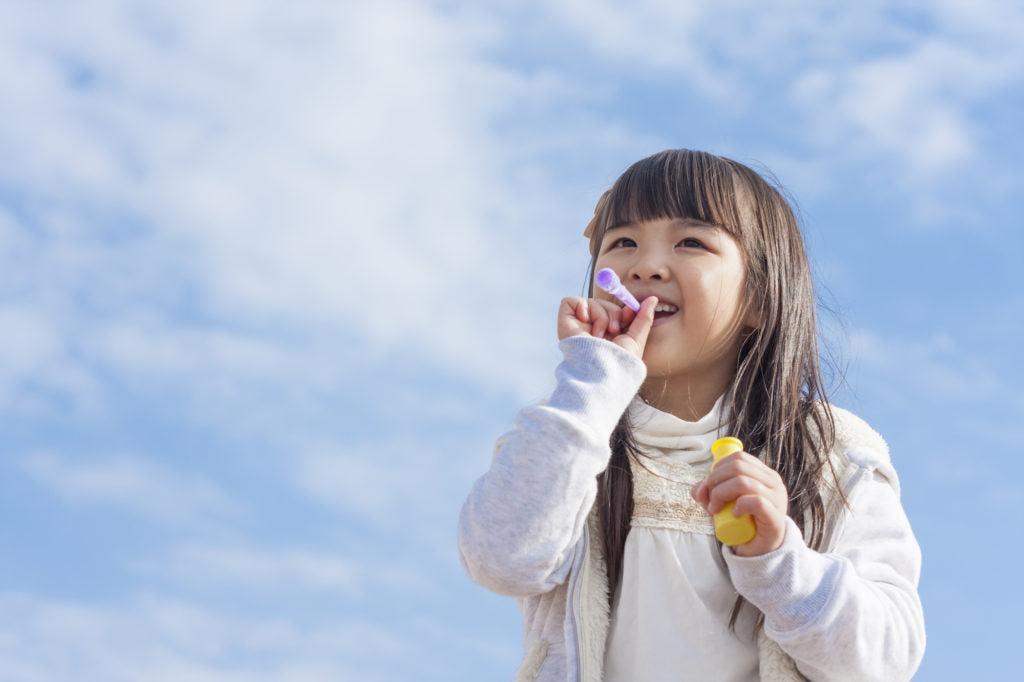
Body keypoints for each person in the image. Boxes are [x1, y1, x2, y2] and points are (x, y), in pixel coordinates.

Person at [457, 149, 925, 681]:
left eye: (691, 242)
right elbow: (499, 558)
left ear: (760, 300)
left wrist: (778, 560)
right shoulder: (569, 429)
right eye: (622, 243)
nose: (644, 266)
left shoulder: (832, 453)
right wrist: (591, 382)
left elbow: (885, 659)